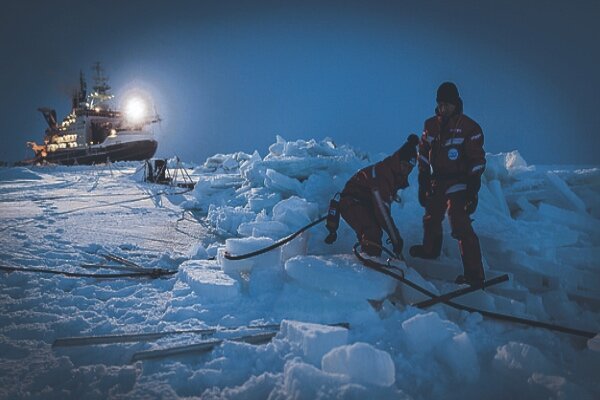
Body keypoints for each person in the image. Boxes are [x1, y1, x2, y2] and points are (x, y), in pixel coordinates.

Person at [409, 82, 486, 285]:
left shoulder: (470, 127)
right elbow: (423, 152)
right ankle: (430, 250)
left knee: (458, 219)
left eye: (447, 104)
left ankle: (474, 274)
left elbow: (477, 159)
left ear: (456, 103)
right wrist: (423, 177)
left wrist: (473, 187)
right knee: (431, 215)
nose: (443, 108)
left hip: (460, 181)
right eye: (440, 104)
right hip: (438, 180)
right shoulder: (430, 125)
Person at [335, 134, 419, 258]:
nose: (406, 170)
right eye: (404, 165)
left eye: (410, 168)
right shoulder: (383, 174)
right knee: (372, 231)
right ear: (398, 161)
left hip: (362, 204)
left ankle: (368, 259)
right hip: (351, 202)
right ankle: (369, 265)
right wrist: (395, 237)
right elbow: (382, 210)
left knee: (373, 231)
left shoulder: (391, 178)